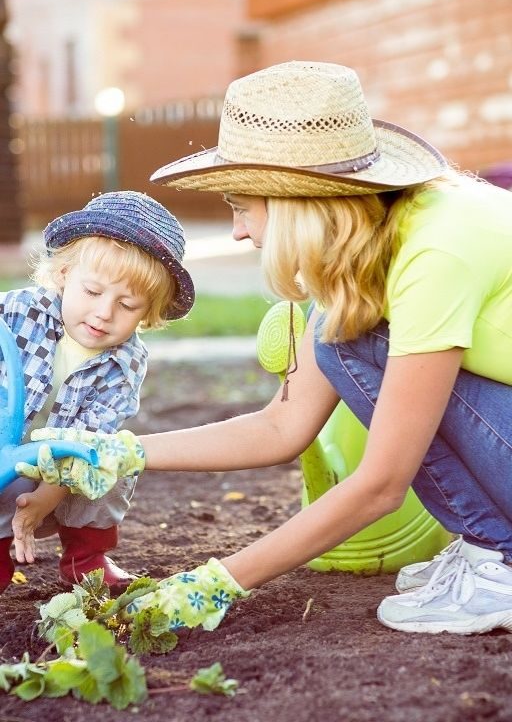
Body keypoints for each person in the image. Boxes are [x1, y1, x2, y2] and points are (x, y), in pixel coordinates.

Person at [20, 61, 512, 635]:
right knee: (339, 337)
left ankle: (498, 562)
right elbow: (283, 425)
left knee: (346, 338)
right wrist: (119, 451)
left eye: (240, 206)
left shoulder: (435, 254)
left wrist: (215, 584)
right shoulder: (378, 243)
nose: (237, 232)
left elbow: (381, 484)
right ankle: (493, 549)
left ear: (295, 203)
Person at [0, 190, 194, 595]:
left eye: (127, 304)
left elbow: (91, 440)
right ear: (64, 274)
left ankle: (85, 562)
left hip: (63, 468)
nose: (105, 312)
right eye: (92, 292)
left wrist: (44, 501)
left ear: (149, 312)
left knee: (113, 463)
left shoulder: (125, 363)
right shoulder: (17, 311)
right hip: (3, 453)